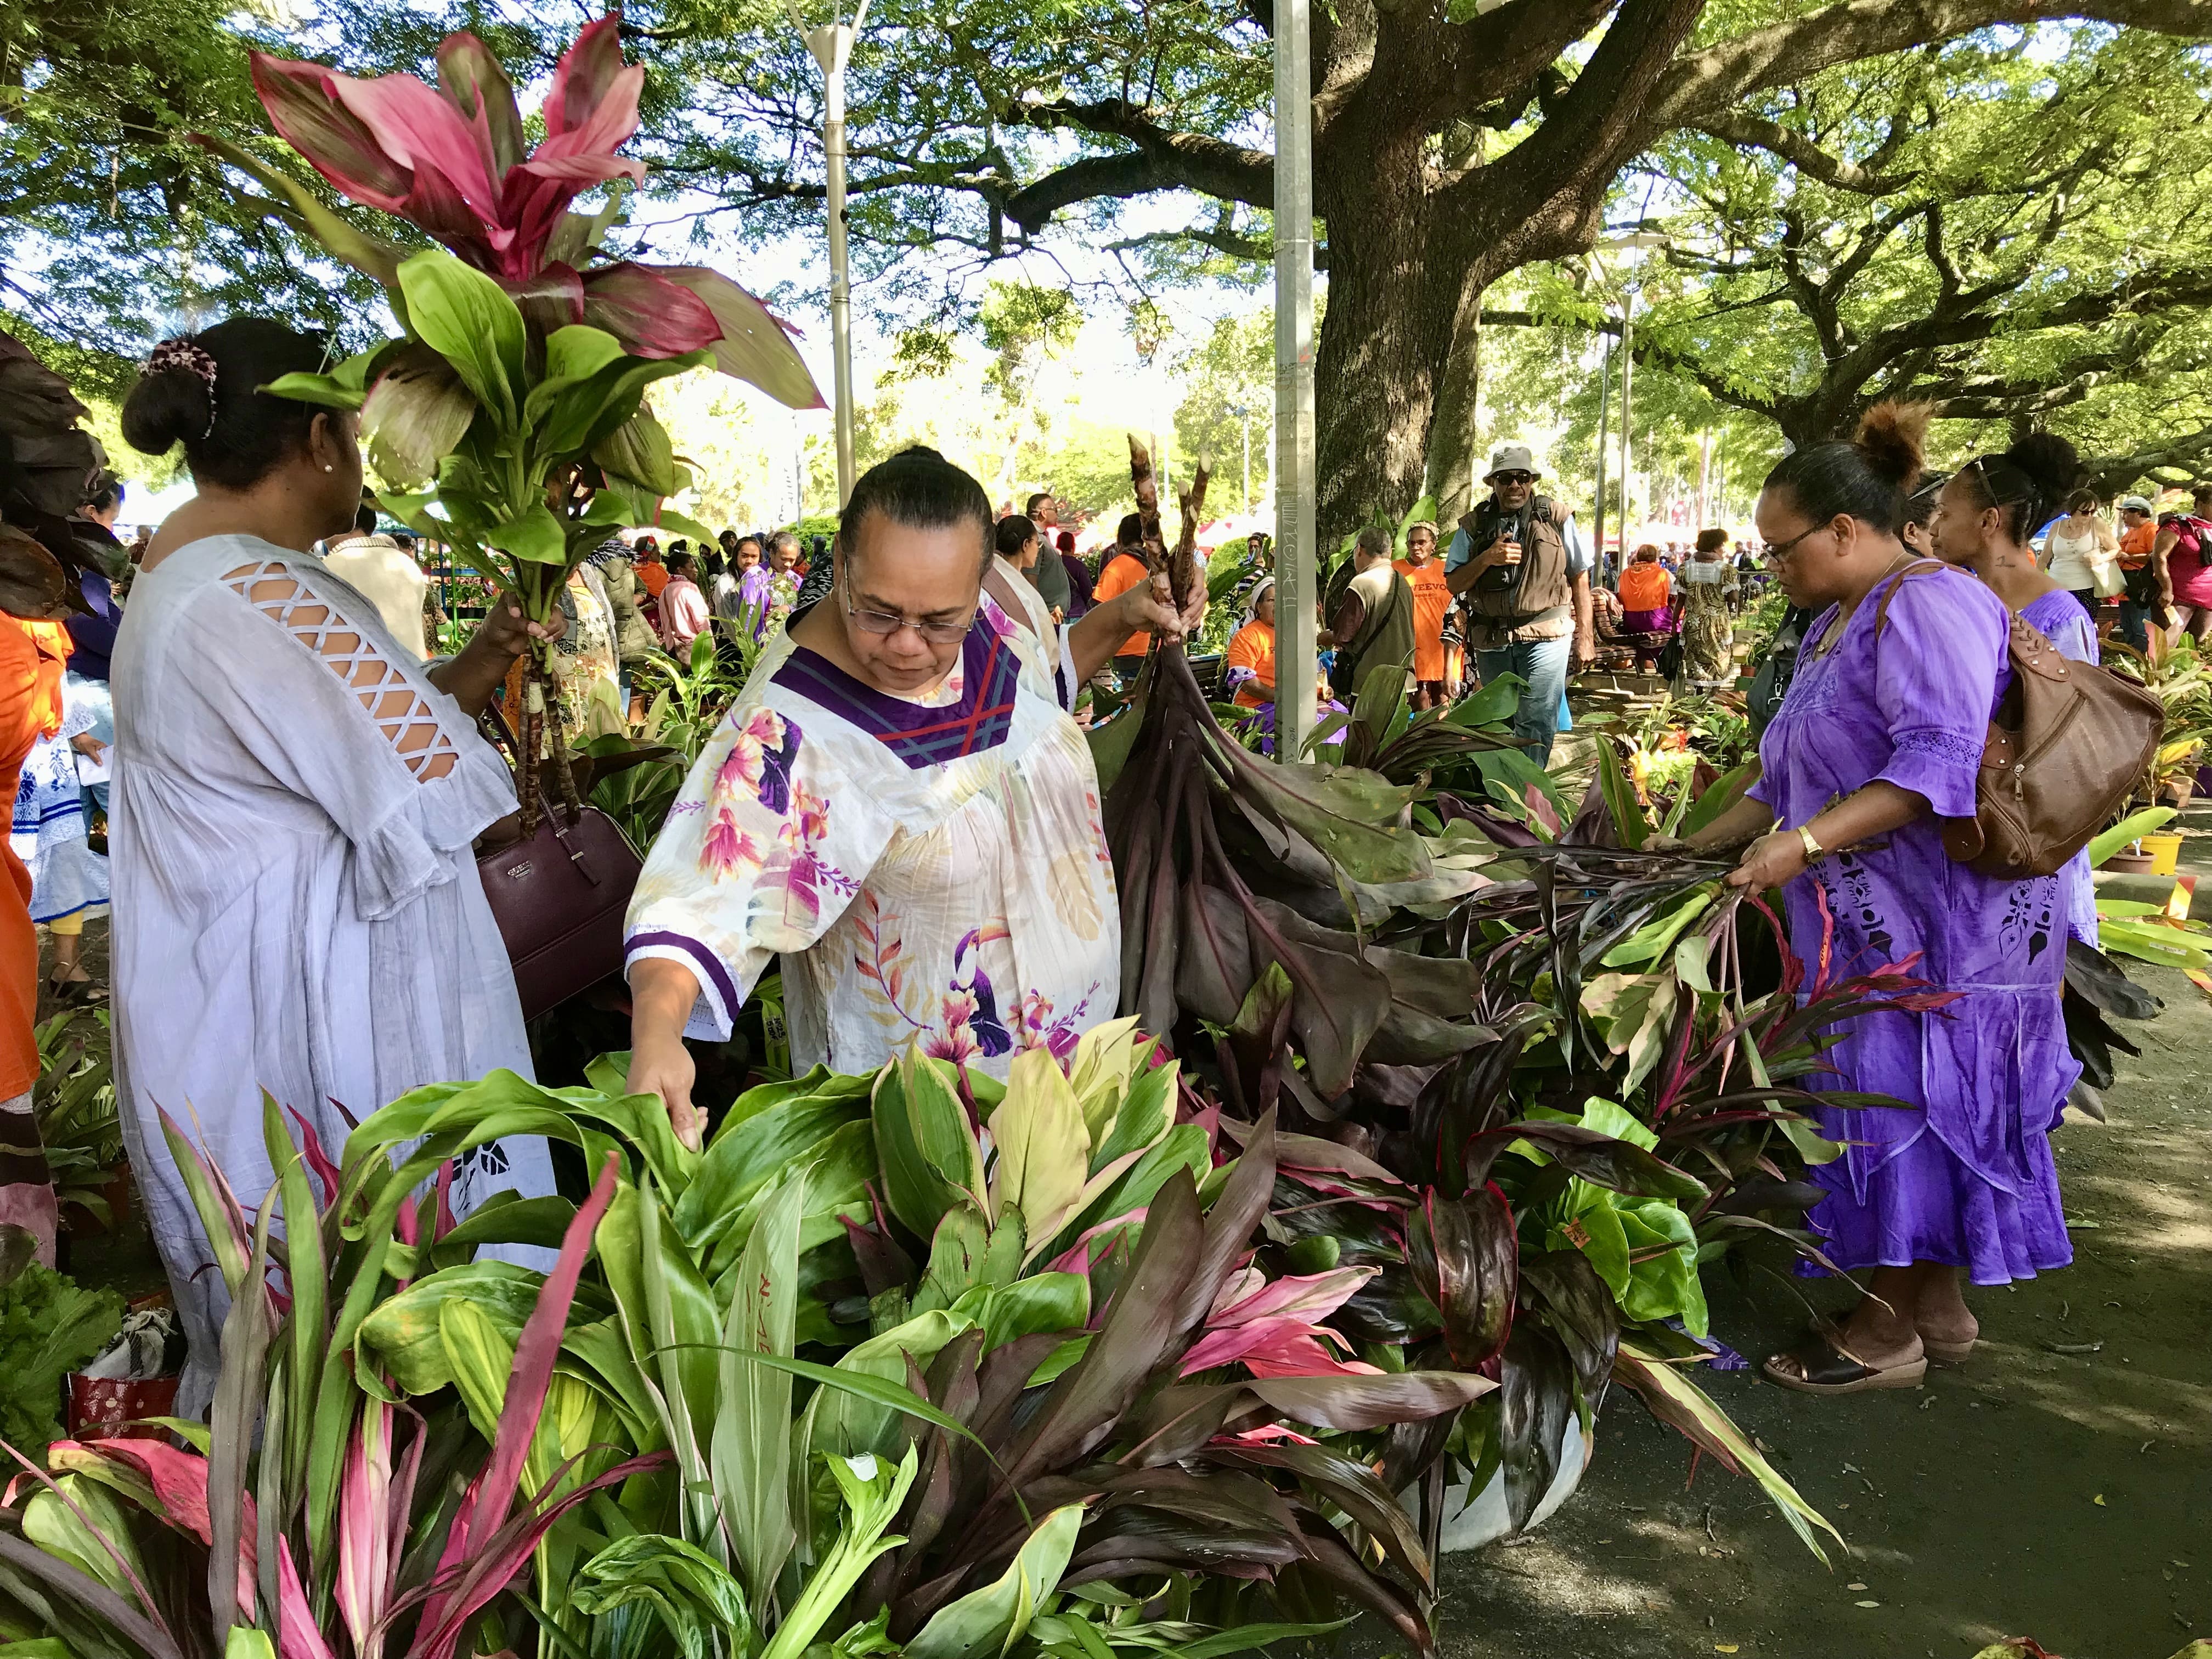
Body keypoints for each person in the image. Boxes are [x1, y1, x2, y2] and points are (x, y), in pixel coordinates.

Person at [110, 319, 561, 1410]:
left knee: (295, 1359)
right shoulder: (263, 589)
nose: (360, 460)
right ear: (318, 439)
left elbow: (332, 753)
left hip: (223, 992)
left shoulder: (186, 573)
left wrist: (479, 663)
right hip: (309, 1005)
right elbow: (435, 791)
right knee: (401, 1334)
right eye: (355, 435)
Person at [622, 447, 1201, 1143]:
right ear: (840, 565)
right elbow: (698, 897)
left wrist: (1126, 615)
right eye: (877, 612)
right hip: (925, 1120)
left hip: (1068, 1067)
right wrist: (657, 1033)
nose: (906, 644)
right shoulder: (793, 725)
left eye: (937, 620)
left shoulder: (990, 613)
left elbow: (1033, 703)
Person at [1674, 403, 2075, 1395]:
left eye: (1779, 549)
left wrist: (1799, 847)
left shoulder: (1929, 602)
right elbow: (1785, 779)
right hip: (1870, 922)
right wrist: (1690, 846)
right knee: (1905, 1095)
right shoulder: (1841, 616)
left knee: (1912, 1101)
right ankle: (1936, 1309)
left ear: (1844, 530)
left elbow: (1932, 769)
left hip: (1943, 929)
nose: (1770, 566)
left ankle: (1886, 1330)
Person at [1927, 431, 2100, 950]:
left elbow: (2073, 757)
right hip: (1964, 841)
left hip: (2027, 851)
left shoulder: (2060, 619)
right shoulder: (1954, 601)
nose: (1934, 527)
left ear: (1988, 522)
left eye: (1946, 513)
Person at [1445, 444, 1595, 761]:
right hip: (1493, 638)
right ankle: (1504, 795)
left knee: (1536, 717)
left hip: (1546, 633)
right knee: (1499, 721)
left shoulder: (1555, 517)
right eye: (1506, 478)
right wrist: (1488, 558)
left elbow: (1580, 576)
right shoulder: (1474, 525)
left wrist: (1587, 638)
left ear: (1531, 481)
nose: (1515, 485)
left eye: (1522, 478)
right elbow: (1453, 582)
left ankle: (1532, 798)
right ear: (1494, 484)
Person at [322, 500, 434, 663]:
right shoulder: (407, 564)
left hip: (370, 680)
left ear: (334, 524)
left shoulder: (329, 569)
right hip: (417, 675)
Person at [1327, 527, 1415, 722]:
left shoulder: (1362, 584)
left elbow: (1344, 633)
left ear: (1359, 549)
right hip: (1403, 680)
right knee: (1393, 741)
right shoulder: (1403, 581)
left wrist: (1320, 637)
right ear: (1389, 552)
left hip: (1371, 681)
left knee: (1365, 743)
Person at [584, 534, 659, 706]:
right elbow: (643, 591)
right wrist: (628, 605)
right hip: (626, 630)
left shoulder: (592, 572)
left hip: (601, 631)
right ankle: (623, 723)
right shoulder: (628, 570)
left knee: (600, 678)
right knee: (624, 676)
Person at [1395, 521, 1455, 709]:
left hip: (1441, 653)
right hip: (1410, 652)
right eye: (1411, 543)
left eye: (1421, 542)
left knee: (1442, 709)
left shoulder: (1448, 569)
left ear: (1433, 544)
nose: (1416, 547)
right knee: (1418, 709)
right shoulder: (1395, 570)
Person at [1091, 514, 1159, 682]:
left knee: (1135, 704)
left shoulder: (1116, 568)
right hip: (1160, 648)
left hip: (1127, 651)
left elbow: (1098, 610)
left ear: (1120, 540)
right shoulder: (1160, 566)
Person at [2039, 489, 2118, 625]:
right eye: (2085, 512)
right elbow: (2043, 559)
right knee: (2056, 630)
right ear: (2072, 509)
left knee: (2082, 631)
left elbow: (2116, 550)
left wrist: (2099, 559)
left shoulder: (2097, 524)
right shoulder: (2056, 526)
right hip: (2056, 588)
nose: (2089, 516)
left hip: (2086, 590)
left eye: (2092, 512)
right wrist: (2036, 583)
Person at [2151, 482, 2212, 646]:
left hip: (2208, 599)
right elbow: (2159, 557)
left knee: (2194, 645)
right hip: (2178, 597)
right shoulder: (2178, 525)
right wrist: (2166, 588)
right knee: (2168, 645)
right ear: (2201, 503)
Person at [1678, 527, 1739, 688]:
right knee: (1719, 661)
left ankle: (1698, 693)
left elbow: (1680, 599)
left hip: (1693, 624)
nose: (1724, 549)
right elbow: (1734, 598)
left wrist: (1673, 624)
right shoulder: (1726, 570)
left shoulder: (1685, 568)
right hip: (1717, 625)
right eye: (1722, 545)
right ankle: (1714, 696)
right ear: (1715, 546)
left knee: (1695, 662)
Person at [1614, 545, 1677, 674]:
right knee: (1677, 628)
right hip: (1656, 622)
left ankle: (1642, 665)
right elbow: (1675, 597)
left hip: (1630, 624)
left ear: (1637, 557)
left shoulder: (1624, 574)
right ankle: (1663, 666)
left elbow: (1618, 597)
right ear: (1655, 558)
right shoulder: (1664, 574)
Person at [2114, 495, 2159, 654]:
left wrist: (2131, 558)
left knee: (2139, 622)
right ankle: (2129, 655)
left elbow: (2156, 555)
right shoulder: (2130, 533)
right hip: (2125, 583)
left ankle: (2143, 657)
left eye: (2126, 513)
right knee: (2127, 623)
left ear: (2139, 513)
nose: (2123, 517)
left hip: (2140, 582)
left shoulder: (2151, 530)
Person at [1223, 576, 1277, 709]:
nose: (1278, 605)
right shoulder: (1247, 636)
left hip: (1291, 703)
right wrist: (1279, 697)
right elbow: (1244, 681)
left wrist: (1321, 690)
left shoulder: (1292, 634)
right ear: (1259, 607)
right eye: (1271, 600)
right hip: (1256, 708)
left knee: (1336, 715)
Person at [658, 548, 711, 651]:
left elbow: (665, 625)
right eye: (692, 567)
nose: (696, 570)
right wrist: (711, 645)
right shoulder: (689, 588)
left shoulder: (664, 592)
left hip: (673, 648)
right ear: (680, 570)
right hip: (694, 647)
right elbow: (701, 620)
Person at [764, 532, 804, 631]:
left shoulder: (797, 580)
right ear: (772, 553)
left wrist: (788, 608)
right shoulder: (754, 578)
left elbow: (806, 606)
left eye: (792, 560)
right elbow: (748, 618)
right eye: (783, 559)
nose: (787, 564)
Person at [1056, 531, 1093, 619]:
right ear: (1073, 545)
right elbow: (1087, 590)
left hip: (1059, 611)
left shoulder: (1055, 564)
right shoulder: (1078, 566)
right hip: (1077, 611)